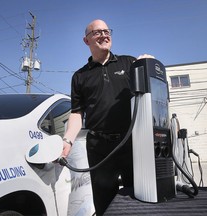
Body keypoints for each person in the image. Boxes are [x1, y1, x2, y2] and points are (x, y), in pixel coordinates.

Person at [61, 19, 154, 215]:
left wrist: (148, 64)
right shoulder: (80, 76)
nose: (104, 35)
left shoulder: (129, 63)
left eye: (107, 31)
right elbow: (77, 113)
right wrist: (67, 140)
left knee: (140, 199)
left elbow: (150, 89)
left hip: (131, 143)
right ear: (86, 41)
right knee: (104, 204)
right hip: (99, 148)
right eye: (97, 32)